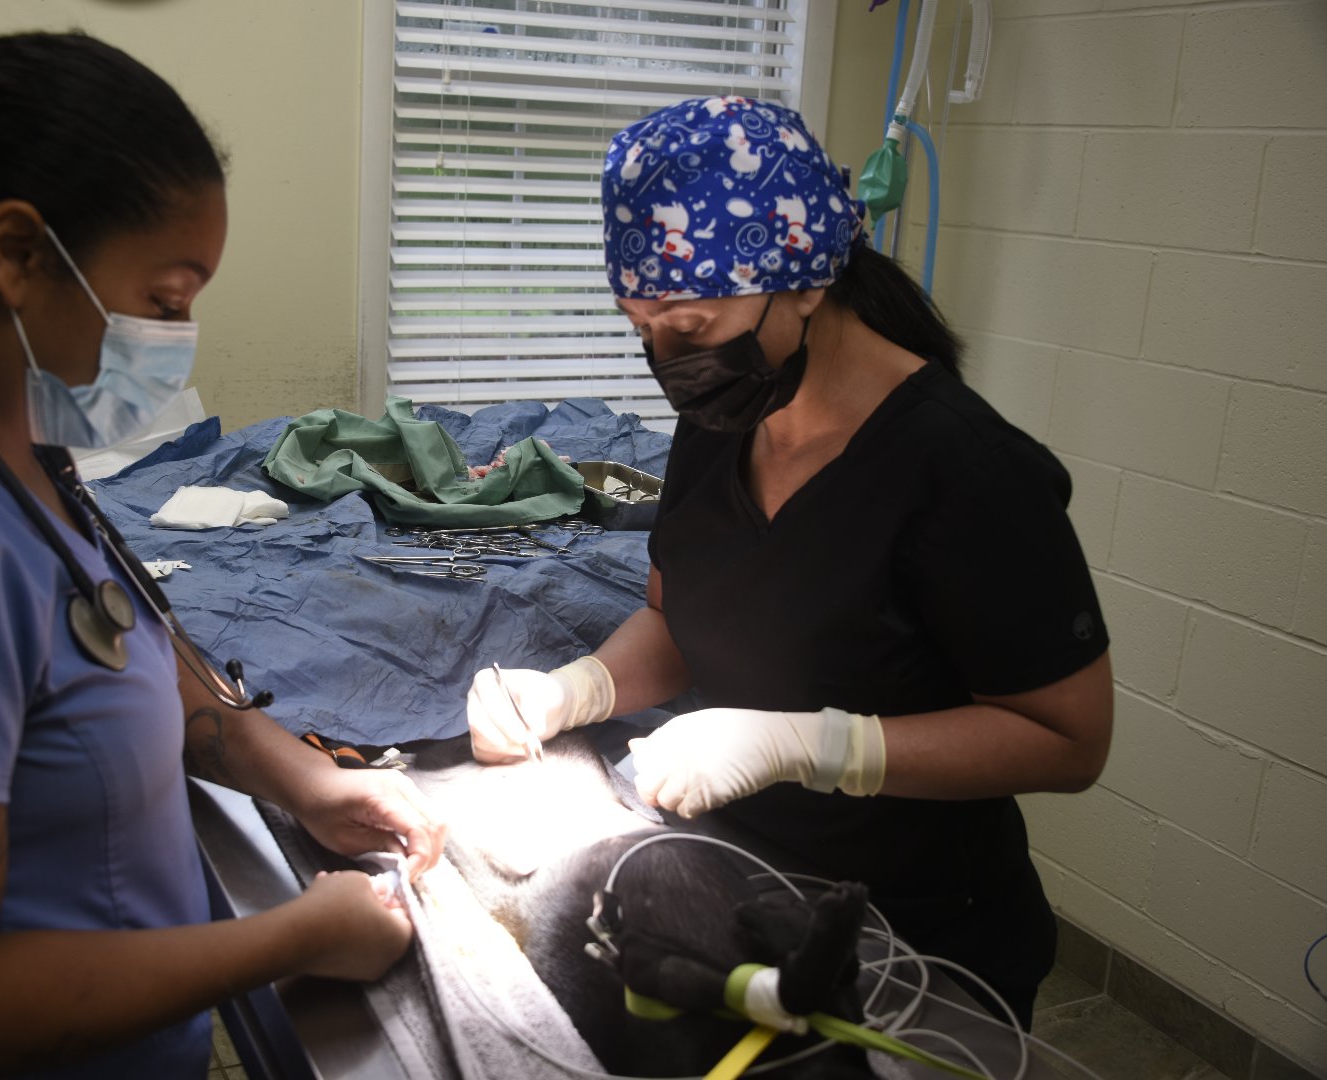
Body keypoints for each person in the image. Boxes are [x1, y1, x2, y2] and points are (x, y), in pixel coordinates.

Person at [0, 17, 442, 1079]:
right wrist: (295, 936)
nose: (176, 339)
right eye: (163, 301)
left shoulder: (13, 443)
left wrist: (300, 779)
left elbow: (109, 637)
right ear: (18, 253)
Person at [466, 96, 1111, 1028]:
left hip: (918, 940)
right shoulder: (723, 419)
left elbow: (1071, 739)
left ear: (803, 279)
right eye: (640, 326)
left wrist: (810, 745)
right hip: (745, 881)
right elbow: (675, 618)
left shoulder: (966, 472)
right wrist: (574, 690)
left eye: (687, 324)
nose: (664, 358)